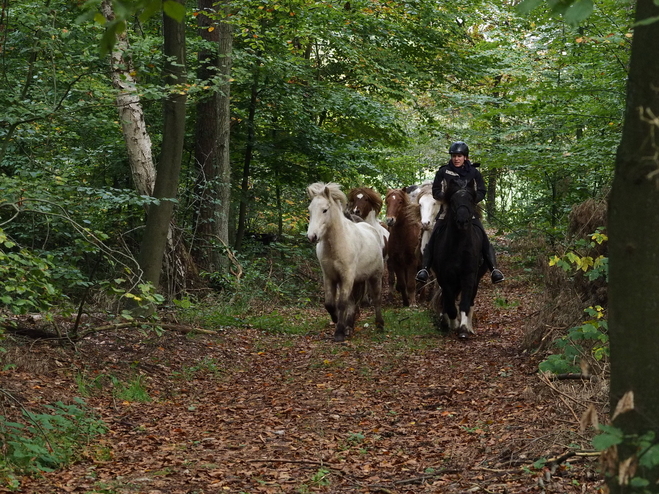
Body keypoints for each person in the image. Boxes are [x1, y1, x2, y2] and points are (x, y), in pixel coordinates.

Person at [415, 141, 505, 284]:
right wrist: (448, 199)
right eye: (454, 156)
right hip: (447, 211)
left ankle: (494, 269)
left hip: (469, 212)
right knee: (433, 237)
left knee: (483, 236)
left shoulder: (474, 173)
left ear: (465, 157)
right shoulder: (443, 172)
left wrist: (471, 200)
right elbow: (436, 191)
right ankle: (425, 269)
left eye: (459, 156)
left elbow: (481, 190)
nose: (456, 159)